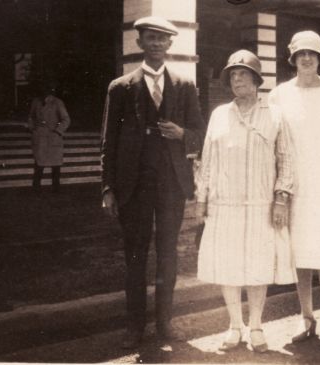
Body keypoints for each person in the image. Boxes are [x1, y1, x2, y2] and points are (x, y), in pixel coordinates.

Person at [100, 15, 205, 349]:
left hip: (171, 183)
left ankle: (165, 322)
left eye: (162, 39)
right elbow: (108, 143)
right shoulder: (120, 87)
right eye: (150, 38)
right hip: (133, 183)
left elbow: (200, 135)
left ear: (170, 44)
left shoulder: (185, 85)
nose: (157, 44)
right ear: (140, 43)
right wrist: (108, 188)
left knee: (168, 254)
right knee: (135, 254)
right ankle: (135, 327)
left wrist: (182, 134)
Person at [195, 49, 297, 353]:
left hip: (260, 205)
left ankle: (255, 326)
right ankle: (234, 326)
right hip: (224, 205)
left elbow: (287, 159)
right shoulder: (218, 115)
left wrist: (281, 198)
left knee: (257, 267)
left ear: (256, 79)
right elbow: (208, 160)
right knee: (228, 268)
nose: (237, 80)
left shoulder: (275, 114)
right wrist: (202, 199)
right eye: (233, 75)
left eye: (243, 74)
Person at [268, 30, 320, 355]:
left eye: (312, 54)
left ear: (319, 58)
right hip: (293, 186)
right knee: (300, 256)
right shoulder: (278, 95)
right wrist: (279, 191)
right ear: (292, 58)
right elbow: (276, 147)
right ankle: (306, 317)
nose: (306, 59)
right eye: (300, 54)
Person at [27, 80, 70, 192]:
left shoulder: (57, 102)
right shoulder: (36, 102)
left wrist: (57, 131)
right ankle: (36, 188)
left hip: (53, 138)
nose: (44, 92)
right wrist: (32, 128)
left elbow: (66, 120)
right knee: (39, 165)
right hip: (40, 138)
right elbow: (31, 116)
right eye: (42, 89)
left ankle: (56, 188)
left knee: (55, 166)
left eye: (47, 89)